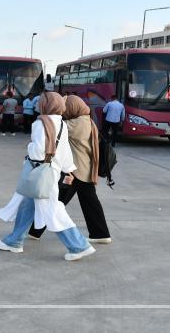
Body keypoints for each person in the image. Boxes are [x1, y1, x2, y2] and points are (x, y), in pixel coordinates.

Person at [0, 92, 96, 261]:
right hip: (52, 171)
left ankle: (79, 246)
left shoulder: (40, 123)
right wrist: (68, 169)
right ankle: (14, 241)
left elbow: (37, 150)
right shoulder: (62, 123)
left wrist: (29, 149)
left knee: (53, 210)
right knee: (28, 205)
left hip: (39, 172)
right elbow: (64, 151)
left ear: (44, 105)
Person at [28, 95, 111, 243]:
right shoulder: (86, 120)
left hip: (76, 172)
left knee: (55, 202)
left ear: (74, 107)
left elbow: (55, 127)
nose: (64, 110)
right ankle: (100, 234)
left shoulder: (78, 123)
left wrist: (47, 114)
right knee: (89, 204)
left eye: (67, 106)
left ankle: (35, 231)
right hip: (84, 169)